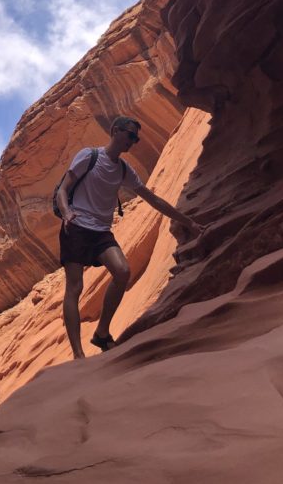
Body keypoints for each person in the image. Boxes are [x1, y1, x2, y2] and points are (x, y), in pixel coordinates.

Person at [55, 115, 201, 359]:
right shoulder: (89, 156)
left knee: (122, 271)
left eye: (136, 138)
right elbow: (63, 189)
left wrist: (187, 221)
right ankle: (78, 355)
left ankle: (101, 333)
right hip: (77, 225)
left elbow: (152, 199)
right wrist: (67, 212)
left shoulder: (124, 169)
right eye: (130, 135)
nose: (133, 141)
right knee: (75, 287)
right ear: (115, 130)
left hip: (101, 231)